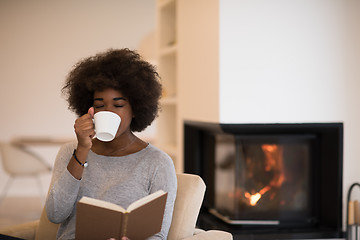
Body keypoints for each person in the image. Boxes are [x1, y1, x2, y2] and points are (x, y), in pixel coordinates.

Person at [45, 48, 177, 240]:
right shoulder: (70, 152)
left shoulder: (158, 163)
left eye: (118, 105)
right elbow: (55, 214)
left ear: (136, 108)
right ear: (89, 110)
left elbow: (158, 234)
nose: (108, 112)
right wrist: (82, 150)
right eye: (100, 105)